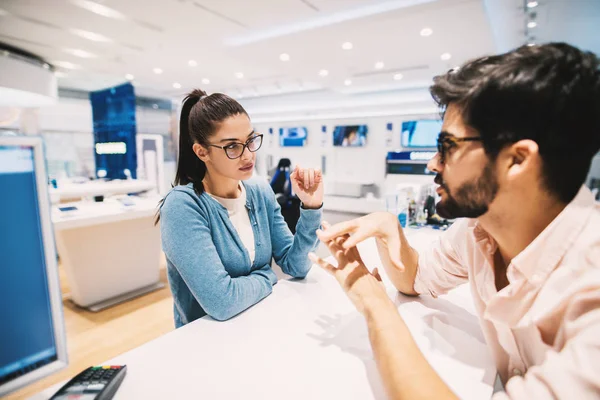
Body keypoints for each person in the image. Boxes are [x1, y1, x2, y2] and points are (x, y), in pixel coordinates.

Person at [309, 42, 600, 399]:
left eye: (448, 146)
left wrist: (373, 304)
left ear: (517, 160)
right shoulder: (479, 230)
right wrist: (388, 227)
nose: (433, 164)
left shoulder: (591, 288)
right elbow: (416, 278)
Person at [158, 89, 323, 327]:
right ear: (201, 151)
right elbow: (222, 302)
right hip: (205, 344)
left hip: (260, 326)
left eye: (250, 140)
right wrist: (268, 276)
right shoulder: (183, 206)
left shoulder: (259, 191)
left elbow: (296, 265)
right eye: (232, 147)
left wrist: (311, 205)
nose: (248, 155)